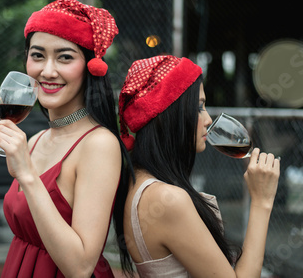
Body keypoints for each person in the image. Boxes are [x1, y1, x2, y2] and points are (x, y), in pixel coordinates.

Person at [0, 0, 131, 278]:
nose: (48, 71)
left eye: (65, 57)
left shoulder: (99, 144)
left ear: (91, 66)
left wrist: (27, 175)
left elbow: (80, 267)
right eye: (38, 56)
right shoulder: (35, 140)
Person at [116, 55, 280, 277]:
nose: (208, 119)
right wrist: (262, 201)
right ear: (169, 114)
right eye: (199, 107)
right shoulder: (167, 199)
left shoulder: (136, 180)